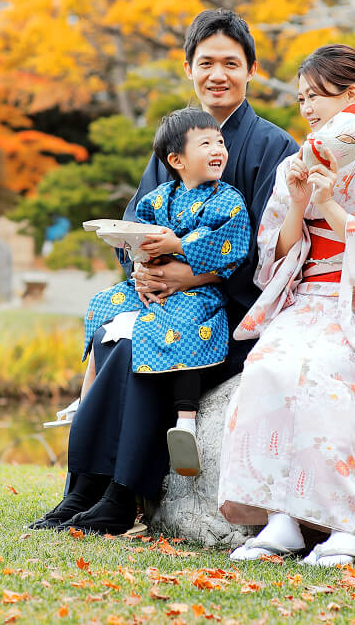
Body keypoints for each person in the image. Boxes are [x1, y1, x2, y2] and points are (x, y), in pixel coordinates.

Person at [29, 9, 298, 535]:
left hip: (229, 311)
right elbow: (137, 220)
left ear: (252, 71)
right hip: (167, 299)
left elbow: (269, 248)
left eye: (230, 63)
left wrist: (189, 278)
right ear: (188, 68)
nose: (217, 74)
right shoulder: (178, 138)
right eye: (206, 63)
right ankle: (83, 486)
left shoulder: (273, 148)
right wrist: (147, 272)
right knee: (113, 332)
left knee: (144, 344)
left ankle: (123, 493)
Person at [216, 44, 355, 567]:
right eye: (301, 99)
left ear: (352, 96)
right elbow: (277, 252)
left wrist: (329, 205)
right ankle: (281, 521)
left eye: (317, 96)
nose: (308, 109)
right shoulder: (297, 161)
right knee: (267, 367)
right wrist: (298, 202)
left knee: (327, 374)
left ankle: (346, 528)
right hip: (310, 300)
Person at [80, 108, 251, 478]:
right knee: (102, 305)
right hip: (153, 285)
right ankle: (85, 397)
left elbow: (231, 247)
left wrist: (178, 242)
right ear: (176, 160)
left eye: (220, 141)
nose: (218, 148)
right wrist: (142, 269)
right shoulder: (157, 199)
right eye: (205, 142)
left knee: (185, 322)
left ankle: (185, 421)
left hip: (197, 291)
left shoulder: (228, 200)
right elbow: (136, 239)